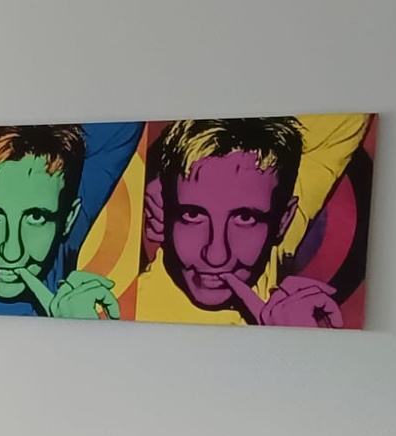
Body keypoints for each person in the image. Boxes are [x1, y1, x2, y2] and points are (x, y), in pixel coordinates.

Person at [137, 117, 358, 328]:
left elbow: (347, 113)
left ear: (283, 221)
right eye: (192, 215)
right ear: (164, 210)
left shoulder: (273, 227)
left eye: (245, 218)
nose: (216, 256)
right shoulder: (138, 312)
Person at [0, 121, 143, 318]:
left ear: (69, 219)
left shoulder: (62, 236)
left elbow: (124, 124)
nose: (12, 253)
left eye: (36, 217)